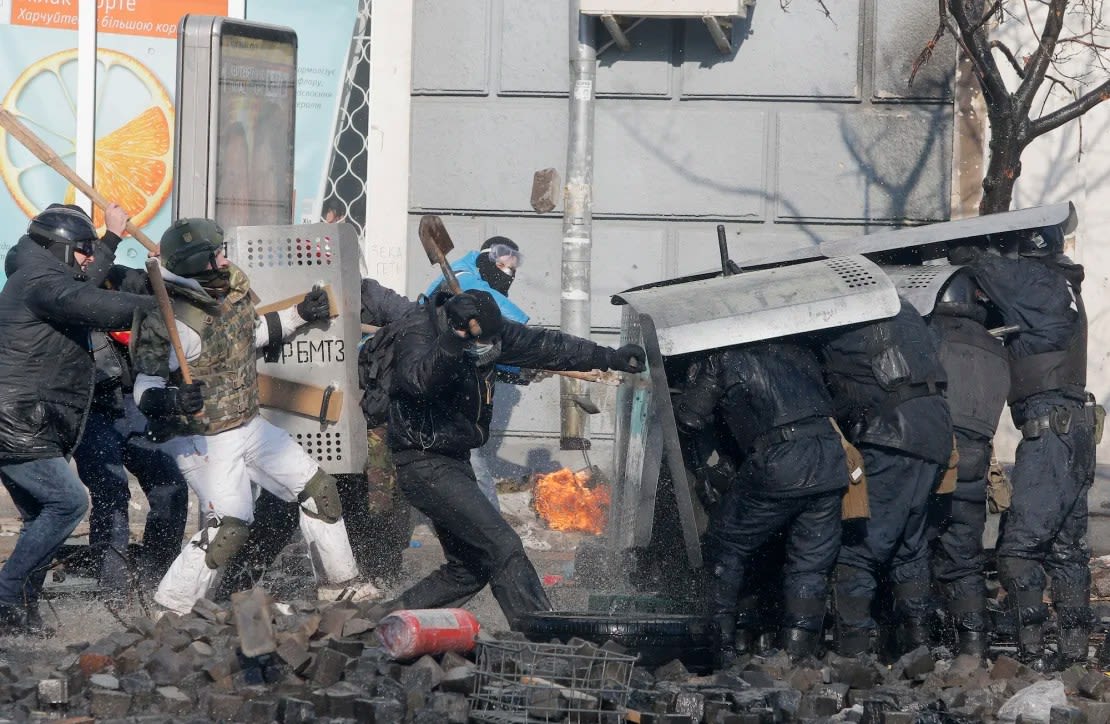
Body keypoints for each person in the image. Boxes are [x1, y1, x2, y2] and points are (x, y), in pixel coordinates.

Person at [131, 217, 377, 614]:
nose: (226, 257)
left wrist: (299, 314)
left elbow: (253, 333)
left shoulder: (230, 291)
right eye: (217, 253)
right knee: (230, 527)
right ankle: (171, 608)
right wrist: (172, 400)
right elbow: (144, 385)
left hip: (249, 424)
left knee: (318, 490)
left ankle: (340, 585)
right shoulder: (168, 317)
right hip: (202, 438)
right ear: (199, 263)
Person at [367, 289, 645, 630]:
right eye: (484, 343)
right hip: (422, 461)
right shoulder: (421, 332)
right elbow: (418, 382)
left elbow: (547, 346)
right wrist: (453, 341)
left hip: (454, 458)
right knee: (503, 545)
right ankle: (542, 635)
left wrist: (608, 356)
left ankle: (379, 622)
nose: (493, 351)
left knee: (470, 568)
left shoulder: (491, 334)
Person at [0, 203, 155, 633]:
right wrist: (158, 306)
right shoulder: (38, 281)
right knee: (69, 503)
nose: (90, 257)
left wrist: (110, 239)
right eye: (83, 248)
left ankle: (19, 618)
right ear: (60, 248)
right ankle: (6, 596)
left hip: (30, 421)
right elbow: (89, 299)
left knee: (41, 522)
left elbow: (82, 282)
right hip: (17, 423)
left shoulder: (40, 272)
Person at [214, 277, 421, 596]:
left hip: (353, 426)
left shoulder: (365, 293)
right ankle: (233, 589)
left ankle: (372, 581)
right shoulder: (272, 296)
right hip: (295, 421)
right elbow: (242, 340)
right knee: (280, 510)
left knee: (360, 506)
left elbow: (412, 317)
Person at [953, 227, 1097, 669]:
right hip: (1074, 430)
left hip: (1050, 432)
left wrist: (962, 247)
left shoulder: (1037, 281)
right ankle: (1073, 655)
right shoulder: (1065, 282)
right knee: (1066, 549)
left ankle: (1030, 654)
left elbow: (983, 265)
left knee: (1018, 550)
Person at [672, 340, 849, 665]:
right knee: (810, 566)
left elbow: (689, 418)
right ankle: (797, 656)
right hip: (829, 458)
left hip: (781, 459)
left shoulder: (723, 356)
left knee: (725, 546)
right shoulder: (800, 350)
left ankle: (718, 648)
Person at [820, 298, 953, 657]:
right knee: (909, 547)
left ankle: (853, 654)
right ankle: (918, 646)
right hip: (935, 430)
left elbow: (830, 393)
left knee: (860, 549)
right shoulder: (904, 308)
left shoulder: (834, 314)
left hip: (893, 434)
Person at [925, 270, 1009, 658]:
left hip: (935, 457)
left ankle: (917, 641)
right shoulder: (995, 347)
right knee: (964, 557)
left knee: (911, 547)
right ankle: (972, 647)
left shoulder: (932, 333)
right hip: (975, 463)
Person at [426, 236, 528, 508]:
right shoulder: (462, 276)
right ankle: (493, 531)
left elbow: (483, 348)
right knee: (472, 467)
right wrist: (528, 339)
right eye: (504, 263)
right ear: (488, 257)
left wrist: (519, 368)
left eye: (513, 268)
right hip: (431, 386)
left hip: (448, 390)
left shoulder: (475, 289)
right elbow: (501, 315)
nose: (508, 273)